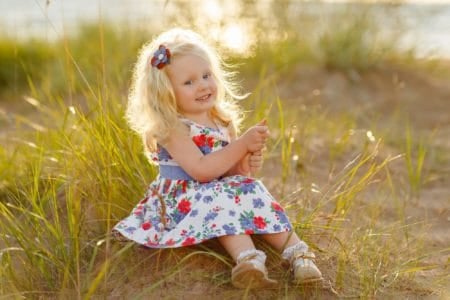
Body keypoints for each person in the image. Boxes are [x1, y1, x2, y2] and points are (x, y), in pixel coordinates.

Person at [112, 28, 322, 288]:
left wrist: (245, 162)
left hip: (214, 192)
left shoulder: (221, 122)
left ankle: (299, 254)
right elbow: (201, 171)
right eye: (188, 82)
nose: (202, 85)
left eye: (206, 75)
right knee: (218, 197)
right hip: (182, 201)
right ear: (166, 92)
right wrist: (241, 144)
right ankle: (248, 260)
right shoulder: (172, 128)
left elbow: (230, 176)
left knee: (250, 188)